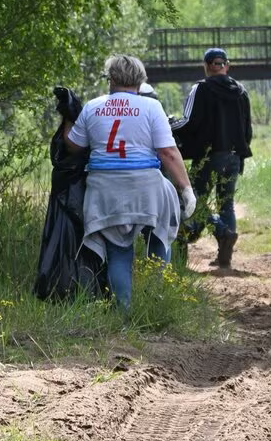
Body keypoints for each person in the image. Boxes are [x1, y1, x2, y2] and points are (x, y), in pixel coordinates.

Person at [62, 54, 195, 311]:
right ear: (141, 80)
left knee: (119, 252)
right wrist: (186, 189)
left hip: (104, 190)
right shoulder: (151, 107)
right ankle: (158, 300)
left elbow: (74, 145)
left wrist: (68, 118)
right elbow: (167, 152)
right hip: (145, 187)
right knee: (159, 236)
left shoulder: (92, 106)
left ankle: (124, 311)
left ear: (111, 79)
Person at [171, 48, 252, 268]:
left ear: (206, 66)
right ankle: (225, 257)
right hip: (234, 155)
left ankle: (220, 230)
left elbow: (188, 122)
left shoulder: (201, 88)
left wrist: (168, 125)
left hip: (208, 155)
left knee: (197, 201)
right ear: (227, 65)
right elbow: (247, 128)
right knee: (227, 204)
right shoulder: (241, 91)